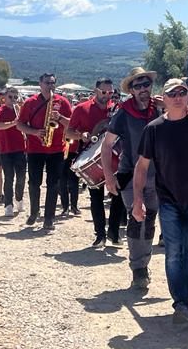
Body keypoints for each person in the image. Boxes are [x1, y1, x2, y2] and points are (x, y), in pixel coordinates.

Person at [134, 79, 188, 323]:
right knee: (174, 253)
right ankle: (181, 302)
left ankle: (185, 297)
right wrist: (138, 200)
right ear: (164, 97)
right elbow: (141, 167)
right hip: (168, 200)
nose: (178, 97)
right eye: (172, 93)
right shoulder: (153, 129)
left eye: (182, 92)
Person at [102, 68, 160, 287]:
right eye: (138, 86)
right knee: (137, 220)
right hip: (129, 175)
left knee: (150, 220)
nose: (143, 89)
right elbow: (107, 145)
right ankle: (139, 268)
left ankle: (143, 263)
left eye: (146, 84)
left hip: (157, 177)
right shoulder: (123, 113)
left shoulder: (160, 109)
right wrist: (108, 176)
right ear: (132, 90)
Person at [17, 74, 72, 229]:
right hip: (35, 148)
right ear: (40, 84)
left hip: (56, 150)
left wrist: (60, 117)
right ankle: (34, 212)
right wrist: (34, 132)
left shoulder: (62, 102)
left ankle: (49, 218)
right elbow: (20, 125)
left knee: (53, 184)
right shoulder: (30, 102)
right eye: (47, 83)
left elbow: (71, 124)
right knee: (34, 182)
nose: (50, 86)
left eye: (53, 83)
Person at [66, 79, 116, 247]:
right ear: (96, 90)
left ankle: (113, 232)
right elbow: (69, 132)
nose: (107, 95)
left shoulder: (115, 109)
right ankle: (100, 233)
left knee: (118, 195)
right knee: (96, 197)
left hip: (115, 158)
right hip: (91, 158)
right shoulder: (81, 108)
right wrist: (82, 135)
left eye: (110, 92)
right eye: (104, 92)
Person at [0, 88, 26, 217]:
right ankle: (8, 204)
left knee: (21, 177)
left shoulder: (20, 111)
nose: (13, 100)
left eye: (15, 97)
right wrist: (14, 123)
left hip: (20, 147)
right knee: (8, 177)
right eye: (10, 97)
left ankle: (19, 198)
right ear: (5, 98)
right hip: (6, 149)